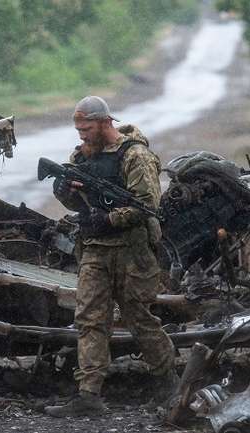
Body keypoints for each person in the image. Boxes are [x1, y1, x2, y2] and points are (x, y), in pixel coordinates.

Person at [44, 96, 178, 417]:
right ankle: (88, 394)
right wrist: (64, 190)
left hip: (132, 251)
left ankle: (170, 383)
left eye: (87, 128)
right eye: (78, 129)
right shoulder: (81, 156)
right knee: (90, 320)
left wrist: (107, 219)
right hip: (95, 250)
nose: (81, 135)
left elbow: (147, 205)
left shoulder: (135, 155)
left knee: (139, 318)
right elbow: (78, 204)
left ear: (106, 123)